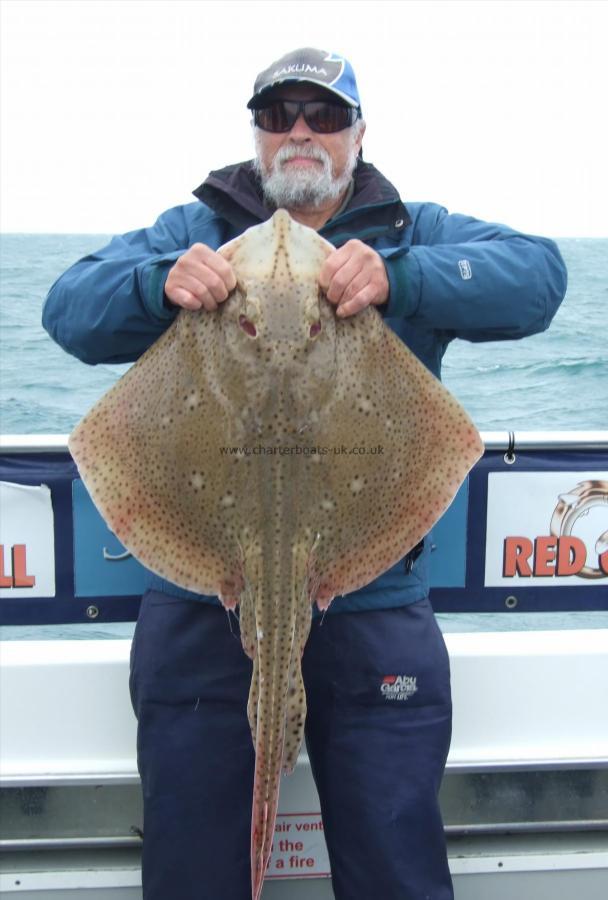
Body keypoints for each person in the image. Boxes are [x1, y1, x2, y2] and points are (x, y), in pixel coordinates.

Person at [43, 48, 567, 900]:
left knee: (394, 855)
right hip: (202, 597)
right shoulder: (195, 230)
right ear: (254, 134)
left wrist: (402, 279)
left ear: (359, 134)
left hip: (375, 597)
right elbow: (67, 306)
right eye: (278, 114)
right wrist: (156, 286)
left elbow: (541, 278)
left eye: (323, 115)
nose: (299, 132)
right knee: (190, 861)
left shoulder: (408, 229)